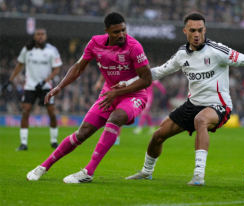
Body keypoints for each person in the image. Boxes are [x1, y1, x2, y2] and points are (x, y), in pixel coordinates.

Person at [121, 12, 244, 186]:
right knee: (158, 136)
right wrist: (127, 82)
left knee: (201, 120)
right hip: (193, 104)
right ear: (185, 31)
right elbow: (157, 72)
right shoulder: (182, 54)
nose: (196, 34)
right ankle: (146, 171)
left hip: (218, 105)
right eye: (192, 30)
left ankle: (198, 175)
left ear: (205, 30)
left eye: (200, 30)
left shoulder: (218, 51)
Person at [26, 12, 152, 183]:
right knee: (82, 133)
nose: (121, 34)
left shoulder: (134, 47)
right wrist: (59, 86)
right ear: (106, 31)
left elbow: (146, 79)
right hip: (109, 94)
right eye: (116, 32)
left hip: (133, 95)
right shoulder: (95, 43)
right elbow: (78, 68)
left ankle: (88, 172)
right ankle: (43, 166)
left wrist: (117, 92)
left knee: (115, 119)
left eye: (124, 30)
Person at [2, 28, 62, 151]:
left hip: (45, 87)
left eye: (42, 34)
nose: (40, 36)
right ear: (34, 37)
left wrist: (44, 81)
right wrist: (10, 80)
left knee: (52, 113)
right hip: (30, 86)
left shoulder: (52, 50)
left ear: (45, 36)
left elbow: (57, 69)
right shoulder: (27, 49)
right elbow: (19, 65)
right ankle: (23, 143)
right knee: (25, 112)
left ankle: (54, 141)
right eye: (38, 34)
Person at [94, 75, 121, 145]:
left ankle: (116, 137)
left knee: (118, 114)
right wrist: (99, 82)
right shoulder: (110, 66)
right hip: (108, 89)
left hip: (121, 90)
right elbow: (105, 71)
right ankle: (108, 135)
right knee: (106, 112)